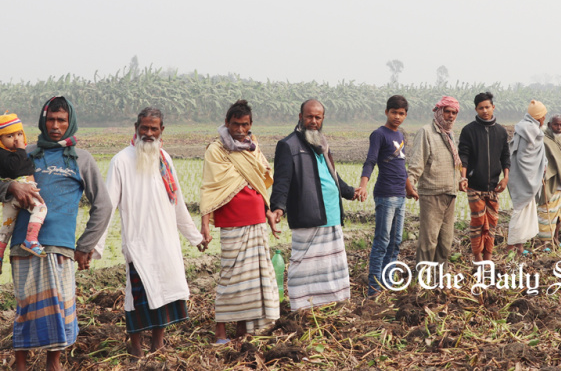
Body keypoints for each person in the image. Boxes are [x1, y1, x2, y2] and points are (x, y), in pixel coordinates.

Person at [5, 97, 112, 371]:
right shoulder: (25, 153)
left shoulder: (81, 158)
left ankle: (54, 364)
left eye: (61, 120)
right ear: (43, 120)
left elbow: (103, 205)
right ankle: (21, 365)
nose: (55, 126)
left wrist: (84, 246)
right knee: (26, 308)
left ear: (70, 122)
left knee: (57, 309)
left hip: (61, 247)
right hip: (23, 245)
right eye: (50, 120)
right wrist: (11, 188)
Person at [95, 107, 206, 358]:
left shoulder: (165, 159)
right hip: (138, 243)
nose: (148, 133)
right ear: (136, 127)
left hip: (165, 241)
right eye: (144, 127)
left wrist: (195, 238)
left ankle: (158, 344)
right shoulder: (121, 160)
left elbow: (177, 202)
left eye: (153, 128)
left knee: (165, 293)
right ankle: (135, 346)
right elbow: (108, 206)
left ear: (161, 130)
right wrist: (96, 245)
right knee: (137, 297)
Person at [271, 99, 367, 311]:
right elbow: (282, 181)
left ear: (322, 119)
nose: (313, 121)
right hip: (307, 214)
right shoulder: (288, 145)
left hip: (331, 215)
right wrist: (277, 207)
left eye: (318, 117)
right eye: (309, 116)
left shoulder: (322, 144)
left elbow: (333, 178)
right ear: (300, 117)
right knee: (303, 266)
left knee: (331, 266)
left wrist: (351, 192)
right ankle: (302, 308)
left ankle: (331, 304)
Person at [198, 100, 279, 343]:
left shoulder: (253, 148)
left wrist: (270, 215)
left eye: (245, 125)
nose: (240, 130)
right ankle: (220, 331)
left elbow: (260, 184)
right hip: (232, 222)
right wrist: (205, 224)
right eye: (236, 124)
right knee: (230, 277)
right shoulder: (216, 150)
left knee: (252, 280)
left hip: (256, 221)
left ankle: (243, 330)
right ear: (227, 123)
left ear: (251, 124)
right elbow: (209, 189)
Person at [357, 95, 413, 296]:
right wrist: (363, 185)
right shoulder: (379, 134)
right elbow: (370, 161)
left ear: (406, 115)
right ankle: (374, 288)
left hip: (400, 195)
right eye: (394, 112)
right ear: (386, 112)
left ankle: (387, 283)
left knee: (396, 241)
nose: (397, 116)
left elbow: (401, 166)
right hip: (385, 195)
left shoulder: (400, 136)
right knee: (382, 241)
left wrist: (409, 188)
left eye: (401, 113)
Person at [408, 96, 460, 269]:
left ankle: (439, 281)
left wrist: (461, 180)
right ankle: (422, 281)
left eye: (454, 113)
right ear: (439, 112)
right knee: (428, 242)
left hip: (450, 194)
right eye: (447, 112)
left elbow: (455, 164)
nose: (451, 116)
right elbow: (417, 161)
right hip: (431, 194)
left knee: (445, 242)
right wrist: (410, 182)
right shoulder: (426, 132)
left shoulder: (450, 134)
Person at [458, 92, 510, 262]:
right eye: (481, 108)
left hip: (494, 186)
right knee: (478, 223)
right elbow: (463, 157)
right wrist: (463, 177)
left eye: (487, 107)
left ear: (493, 107)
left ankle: (488, 258)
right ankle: (478, 259)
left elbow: (505, 157)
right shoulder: (469, 131)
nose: (485, 110)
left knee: (492, 224)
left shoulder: (501, 131)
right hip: (474, 185)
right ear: (476, 109)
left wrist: (505, 178)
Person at [0, 113, 49, 265]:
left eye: (19, 134)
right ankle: (31, 240)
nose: (16, 139)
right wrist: (21, 150)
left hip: (10, 199)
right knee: (40, 208)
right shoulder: (4, 154)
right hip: (20, 194)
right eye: (10, 135)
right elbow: (15, 168)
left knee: (6, 227)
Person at [505, 100, 547, 255]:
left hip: (529, 176)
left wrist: (542, 165)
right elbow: (524, 158)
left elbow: (539, 154)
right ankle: (511, 246)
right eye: (543, 116)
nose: (544, 119)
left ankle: (520, 246)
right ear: (538, 117)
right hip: (523, 178)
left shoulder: (529, 128)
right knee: (519, 210)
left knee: (526, 211)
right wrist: (537, 169)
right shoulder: (530, 130)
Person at [539, 115, 561, 242]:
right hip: (551, 182)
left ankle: (555, 238)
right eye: (556, 125)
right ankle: (545, 242)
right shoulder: (544, 141)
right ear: (550, 125)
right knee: (547, 213)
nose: (559, 128)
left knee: (559, 214)